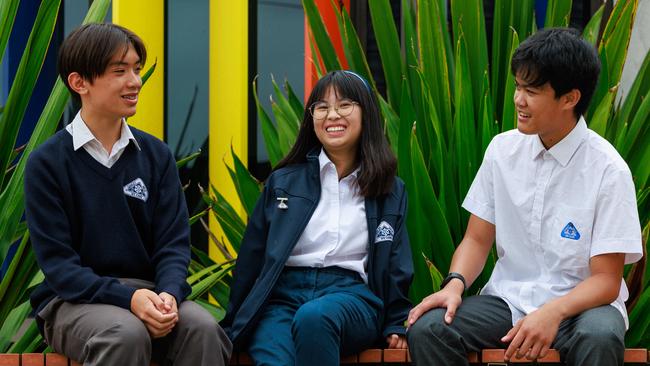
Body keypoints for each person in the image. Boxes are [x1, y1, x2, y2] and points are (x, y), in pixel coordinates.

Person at [407, 27, 643, 366]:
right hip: (509, 301)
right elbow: (476, 239)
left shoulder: (608, 170)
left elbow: (606, 280)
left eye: (531, 91)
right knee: (431, 328)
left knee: (600, 335)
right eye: (518, 86)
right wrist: (454, 284)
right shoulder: (502, 151)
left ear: (569, 98)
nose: (518, 99)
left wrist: (552, 312)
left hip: (582, 311)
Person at [23, 23, 232, 366]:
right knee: (124, 333)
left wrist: (167, 294)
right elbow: (60, 267)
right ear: (80, 83)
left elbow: (173, 246)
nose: (135, 81)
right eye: (119, 71)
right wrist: (130, 298)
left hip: (150, 292)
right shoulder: (47, 163)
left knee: (204, 328)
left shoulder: (156, 155)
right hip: (73, 300)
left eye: (135, 69)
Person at [221, 70, 413, 365]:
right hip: (282, 299)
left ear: (367, 113)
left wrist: (397, 321)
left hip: (352, 298)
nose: (332, 115)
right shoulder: (283, 182)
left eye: (344, 105)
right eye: (322, 107)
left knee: (315, 316)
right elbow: (252, 256)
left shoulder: (389, 188)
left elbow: (396, 262)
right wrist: (235, 319)